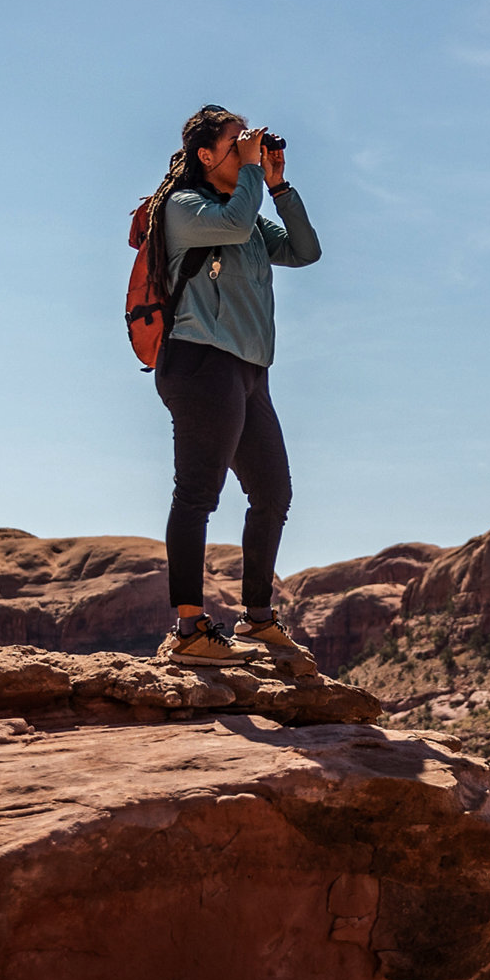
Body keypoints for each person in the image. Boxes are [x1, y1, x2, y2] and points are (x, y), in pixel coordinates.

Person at [144, 104, 321, 668]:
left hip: (249, 370)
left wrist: (278, 184)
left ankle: (256, 618)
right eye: (234, 141)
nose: (247, 145)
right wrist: (250, 173)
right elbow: (238, 225)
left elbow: (304, 250)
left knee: (273, 494)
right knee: (197, 493)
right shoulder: (185, 207)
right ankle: (189, 626)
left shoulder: (243, 210)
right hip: (200, 363)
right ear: (205, 156)